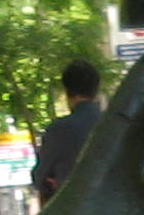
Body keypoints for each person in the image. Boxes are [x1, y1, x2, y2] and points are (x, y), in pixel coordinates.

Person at [32, 59, 105, 204]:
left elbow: (40, 177)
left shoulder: (58, 130)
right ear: (96, 90)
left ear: (67, 93)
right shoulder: (117, 125)